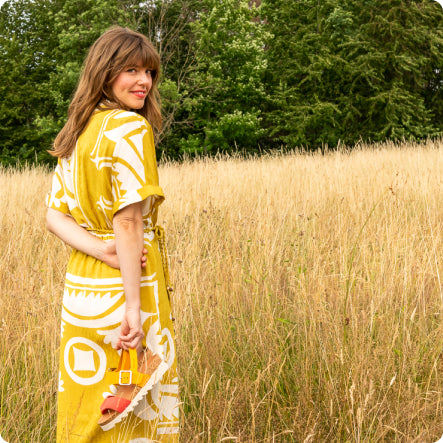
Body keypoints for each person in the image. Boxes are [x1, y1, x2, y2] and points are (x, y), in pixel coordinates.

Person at [46, 26, 179, 442]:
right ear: (105, 72)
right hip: (128, 287)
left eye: (149, 72)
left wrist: (101, 251)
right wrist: (134, 309)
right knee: (135, 412)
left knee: (87, 409)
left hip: (83, 290)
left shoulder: (79, 130)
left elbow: (55, 216)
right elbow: (128, 222)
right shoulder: (130, 128)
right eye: (131, 70)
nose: (144, 82)